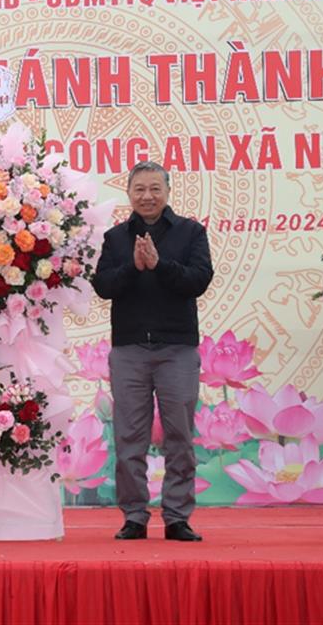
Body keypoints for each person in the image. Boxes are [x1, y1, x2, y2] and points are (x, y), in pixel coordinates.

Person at [91, 160, 214, 542]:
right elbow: (103, 286)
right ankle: (134, 516)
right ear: (129, 193)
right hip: (129, 350)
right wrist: (133, 266)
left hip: (176, 349)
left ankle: (177, 517)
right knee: (129, 438)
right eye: (139, 189)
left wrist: (161, 266)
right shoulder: (114, 238)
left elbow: (198, 280)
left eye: (155, 188)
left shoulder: (191, 232)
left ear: (167, 191)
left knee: (179, 435)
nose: (147, 196)